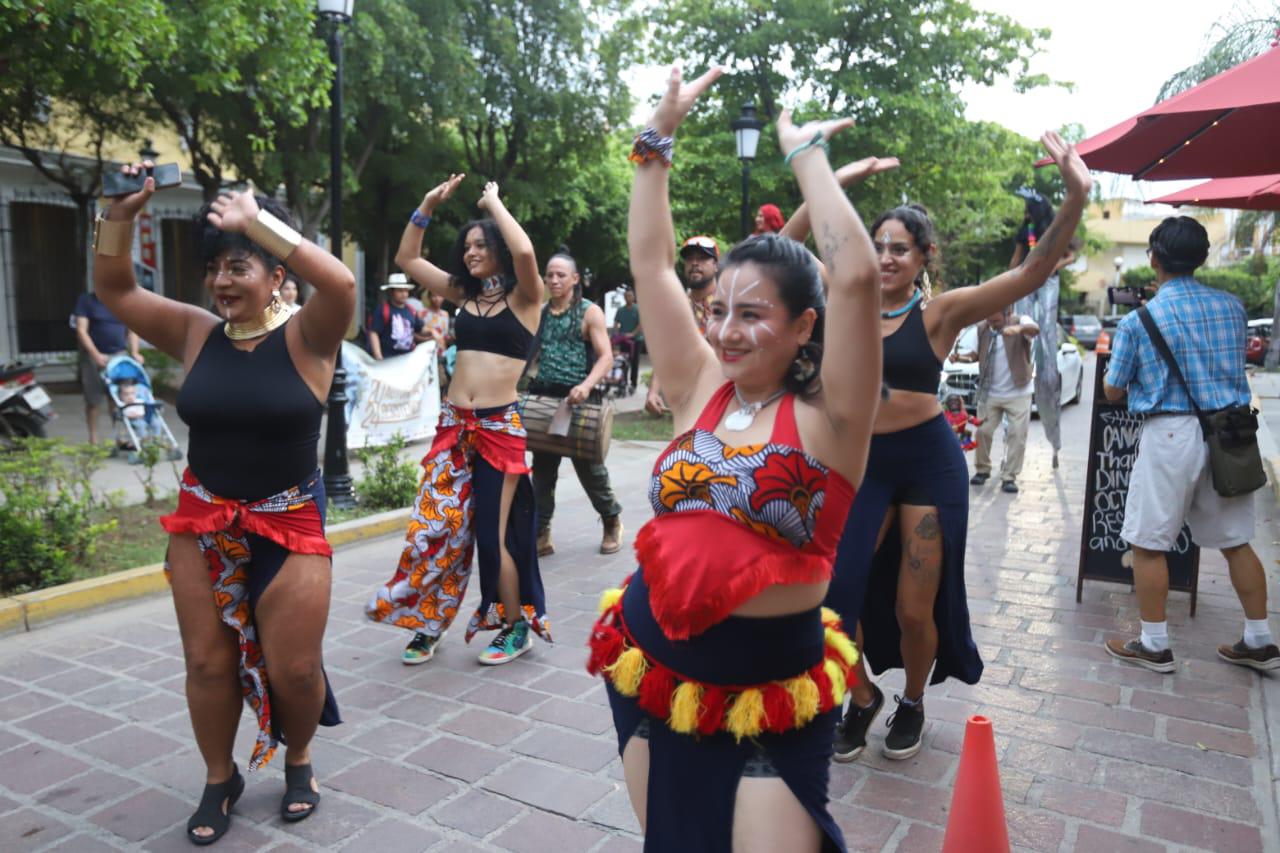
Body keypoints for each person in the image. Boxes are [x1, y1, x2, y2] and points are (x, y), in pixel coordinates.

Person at [588, 66, 882, 853]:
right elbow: (651, 261)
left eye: (752, 314)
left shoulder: (835, 420)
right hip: (657, 662)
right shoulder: (696, 383)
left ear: (802, 328)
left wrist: (806, 154)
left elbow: (855, 276)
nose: (725, 329)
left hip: (771, 690)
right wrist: (658, 139)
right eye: (718, 309)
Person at [92, 162, 356, 844]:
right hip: (202, 518)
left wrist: (259, 223)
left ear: (276, 277)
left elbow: (342, 282)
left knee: (295, 667)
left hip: (289, 517)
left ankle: (299, 758)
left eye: (239, 265)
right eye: (215, 268)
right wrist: (120, 213)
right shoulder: (195, 332)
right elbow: (114, 286)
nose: (221, 281)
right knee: (207, 662)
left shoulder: (310, 335)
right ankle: (220, 775)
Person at [813, 133, 1090, 763]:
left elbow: (1031, 271)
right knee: (831, 598)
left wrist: (1076, 195)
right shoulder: (842, 301)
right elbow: (791, 239)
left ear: (923, 257)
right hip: (858, 465)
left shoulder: (939, 314)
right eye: (878, 245)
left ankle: (911, 700)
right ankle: (860, 700)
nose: (885, 257)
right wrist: (828, 174)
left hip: (925, 463)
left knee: (916, 608)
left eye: (899, 249)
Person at [366, 175, 551, 667]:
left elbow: (527, 255)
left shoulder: (527, 298)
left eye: (480, 244)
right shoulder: (462, 296)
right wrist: (426, 204)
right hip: (454, 428)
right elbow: (407, 260)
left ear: (497, 248)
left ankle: (516, 627)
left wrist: (494, 203)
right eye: (466, 246)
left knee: (491, 536)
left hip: (498, 430)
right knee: (435, 529)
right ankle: (428, 624)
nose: (470, 253)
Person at [1103, 216, 1278, 672]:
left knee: (1148, 543)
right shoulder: (1233, 307)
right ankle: (1259, 640)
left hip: (1171, 435)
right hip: (1228, 434)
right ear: (1202, 259)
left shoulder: (1141, 319)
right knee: (1238, 541)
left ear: (1154, 259)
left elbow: (1113, 391)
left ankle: (1155, 643)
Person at [530, 248, 624, 558]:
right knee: (542, 472)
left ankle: (612, 520)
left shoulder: (589, 312)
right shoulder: (542, 312)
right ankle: (541, 532)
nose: (554, 280)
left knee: (591, 471)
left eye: (560, 275)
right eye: (550, 274)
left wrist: (585, 386)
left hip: (578, 401)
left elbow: (606, 357)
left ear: (574, 279)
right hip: (546, 400)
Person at [1008, 189, 1078, 468]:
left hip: (1047, 281)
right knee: (1023, 329)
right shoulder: (1025, 231)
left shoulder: (1054, 230)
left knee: (1047, 339)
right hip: (1027, 280)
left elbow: (1070, 255)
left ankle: (1055, 439)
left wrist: (1052, 266)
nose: (1024, 212)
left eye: (1027, 208)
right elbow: (1016, 258)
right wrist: (1007, 282)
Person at [644, 234, 718, 415]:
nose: (694, 263)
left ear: (716, 265)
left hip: (727, 394)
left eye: (701, 258)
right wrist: (653, 392)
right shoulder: (677, 307)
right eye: (689, 259)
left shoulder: (729, 302)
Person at [969, 307, 1039, 494]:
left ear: (1007, 314)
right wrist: (962, 357)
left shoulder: (1020, 321)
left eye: (996, 322)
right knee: (983, 431)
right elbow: (976, 354)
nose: (992, 325)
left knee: (1017, 434)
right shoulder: (983, 328)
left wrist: (1018, 330)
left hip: (1018, 391)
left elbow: (1034, 329)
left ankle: (1009, 477)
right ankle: (982, 470)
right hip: (990, 391)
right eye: (989, 321)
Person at [74, 290, 142, 444]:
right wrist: (96, 354)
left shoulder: (124, 301)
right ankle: (93, 439)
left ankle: (119, 437)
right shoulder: (86, 300)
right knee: (93, 400)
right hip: (92, 357)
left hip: (119, 355)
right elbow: (81, 330)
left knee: (118, 399)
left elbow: (132, 330)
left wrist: (135, 352)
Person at [367, 273, 428, 360]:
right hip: (388, 359)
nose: (404, 294)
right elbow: (374, 333)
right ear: (391, 292)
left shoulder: (411, 310)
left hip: (408, 359)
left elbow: (420, 328)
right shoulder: (383, 310)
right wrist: (378, 356)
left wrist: (433, 333)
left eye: (406, 290)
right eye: (400, 291)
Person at [610, 285, 643, 392]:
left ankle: (633, 384)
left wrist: (633, 334)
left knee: (634, 362)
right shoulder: (621, 310)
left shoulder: (637, 309)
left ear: (634, 297)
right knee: (622, 361)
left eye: (630, 296)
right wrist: (615, 334)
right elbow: (616, 322)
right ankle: (622, 383)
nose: (628, 298)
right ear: (624, 297)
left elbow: (641, 324)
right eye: (626, 296)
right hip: (623, 339)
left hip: (636, 340)